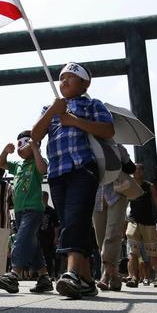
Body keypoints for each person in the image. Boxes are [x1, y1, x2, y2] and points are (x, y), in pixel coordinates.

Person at [31, 62, 114, 299]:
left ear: (84, 83)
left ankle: (71, 275)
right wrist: (52, 111)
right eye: (62, 77)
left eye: (71, 77)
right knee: (72, 222)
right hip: (57, 173)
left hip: (83, 169)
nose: (64, 81)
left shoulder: (92, 104)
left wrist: (75, 120)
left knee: (76, 219)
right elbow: (35, 136)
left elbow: (108, 130)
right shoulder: (51, 107)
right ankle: (88, 281)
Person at [0, 131, 53, 294]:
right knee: (32, 242)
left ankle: (14, 275)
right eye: (18, 145)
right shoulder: (18, 165)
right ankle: (44, 276)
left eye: (22, 144)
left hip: (34, 208)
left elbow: (43, 169)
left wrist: (36, 148)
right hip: (19, 210)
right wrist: (5, 151)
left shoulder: (37, 161)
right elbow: (0, 164)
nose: (19, 148)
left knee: (22, 238)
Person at [93, 144, 134, 291]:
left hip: (117, 193)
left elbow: (132, 169)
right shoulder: (90, 146)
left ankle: (105, 275)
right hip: (96, 197)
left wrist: (119, 159)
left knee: (112, 236)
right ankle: (115, 274)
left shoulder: (118, 148)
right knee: (101, 239)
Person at [124, 163, 157, 288]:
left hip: (148, 222)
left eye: (140, 169)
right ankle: (133, 277)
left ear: (143, 171)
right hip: (133, 221)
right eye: (136, 170)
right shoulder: (129, 184)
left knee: (154, 252)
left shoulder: (150, 186)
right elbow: (122, 203)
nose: (138, 172)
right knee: (133, 251)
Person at [39, 191, 60, 278]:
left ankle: (50, 274)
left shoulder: (51, 211)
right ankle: (41, 274)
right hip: (39, 236)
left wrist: (55, 237)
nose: (44, 199)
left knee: (48, 256)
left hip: (49, 237)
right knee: (40, 255)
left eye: (45, 198)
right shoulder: (38, 210)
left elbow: (56, 225)